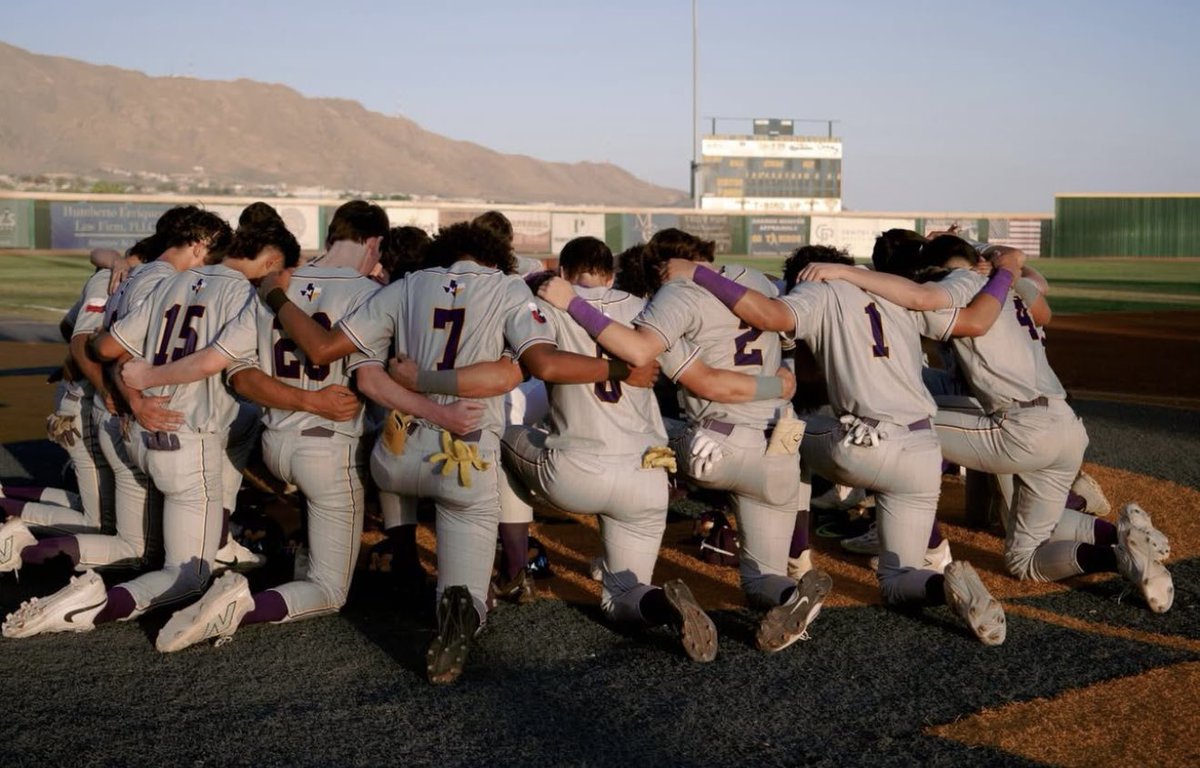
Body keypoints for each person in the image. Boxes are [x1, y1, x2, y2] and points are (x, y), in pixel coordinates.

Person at [257, 221, 650, 683]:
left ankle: (404, 557)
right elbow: (544, 364)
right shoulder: (506, 289)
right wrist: (620, 368)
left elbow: (322, 349)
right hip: (463, 455)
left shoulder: (407, 285)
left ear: (445, 252)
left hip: (397, 455)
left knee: (393, 454)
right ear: (497, 256)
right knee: (468, 578)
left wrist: (275, 296)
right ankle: (464, 605)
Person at [117, 201, 473, 650]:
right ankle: (243, 605)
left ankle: (292, 548)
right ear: (374, 243)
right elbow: (372, 381)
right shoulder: (371, 292)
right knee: (330, 590)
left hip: (276, 441)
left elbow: (236, 373)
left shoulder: (274, 285)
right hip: (328, 450)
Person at [662, 243, 1018, 645]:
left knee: (787, 434)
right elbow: (972, 322)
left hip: (865, 444)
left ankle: (797, 555)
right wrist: (1001, 272)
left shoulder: (818, 288)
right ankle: (943, 586)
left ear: (808, 275)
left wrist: (699, 274)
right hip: (922, 447)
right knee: (898, 580)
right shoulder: (893, 289)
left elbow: (770, 314)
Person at [797, 237, 1173, 613]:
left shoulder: (958, 284)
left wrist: (847, 272)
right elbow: (1043, 307)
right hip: (1066, 426)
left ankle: (918, 541)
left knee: (904, 430)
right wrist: (1005, 265)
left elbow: (922, 301)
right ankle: (1122, 551)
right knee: (1024, 557)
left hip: (1019, 427)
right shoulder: (1005, 287)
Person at [539, 228, 833, 653]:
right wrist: (780, 382)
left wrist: (572, 302)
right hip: (779, 445)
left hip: (717, 445)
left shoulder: (677, 294)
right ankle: (790, 595)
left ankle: (615, 557)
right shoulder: (757, 279)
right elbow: (788, 337)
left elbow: (696, 376)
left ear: (663, 269)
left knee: (643, 443)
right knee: (760, 579)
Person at [2, 218, 292, 640]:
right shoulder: (244, 294)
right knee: (188, 574)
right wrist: (150, 382)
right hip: (184, 435)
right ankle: (91, 604)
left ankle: (28, 546)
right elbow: (217, 361)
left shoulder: (166, 283)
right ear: (267, 259)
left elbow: (103, 347)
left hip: (132, 428)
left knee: (136, 544)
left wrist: (135, 391)